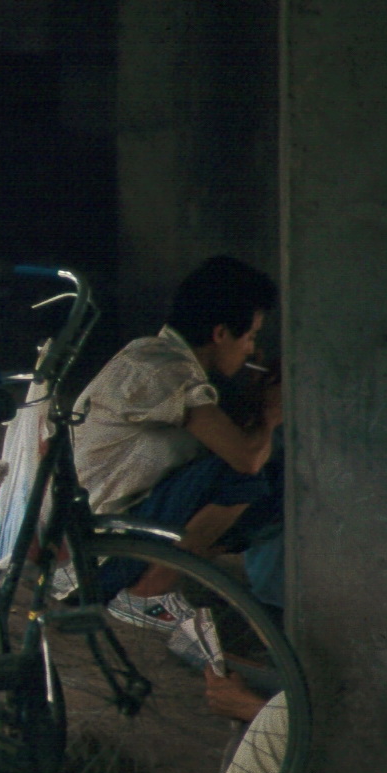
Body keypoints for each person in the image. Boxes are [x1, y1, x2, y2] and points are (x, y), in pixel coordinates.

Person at [73, 256, 285, 625]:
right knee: (241, 475)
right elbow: (245, 458)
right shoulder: (165, 370)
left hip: (112, 528)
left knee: (276, 481)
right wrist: (270, 412)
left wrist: (255, 398)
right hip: (100, 548)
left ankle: (176, 572)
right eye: (250, 337)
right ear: (221, 334)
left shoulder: (160, 354)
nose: (252, 350)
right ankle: (147, 593)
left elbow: (232, 438)